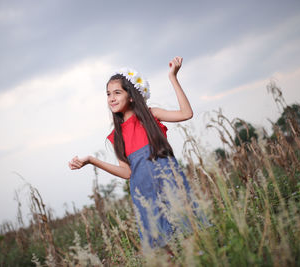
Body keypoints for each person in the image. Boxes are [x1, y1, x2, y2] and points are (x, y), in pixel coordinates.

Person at [69, 56, 203, 250]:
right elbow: (127, 173)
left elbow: (186, 113)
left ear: (131, 95)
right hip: (146, 199)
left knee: (191, 241)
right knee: (166, 252)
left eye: (117, 92)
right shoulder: (116, 136)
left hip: (171, 188)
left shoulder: (151, 115)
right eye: (108, 94)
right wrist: (91, 160)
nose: (111, 98)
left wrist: (173, 77)